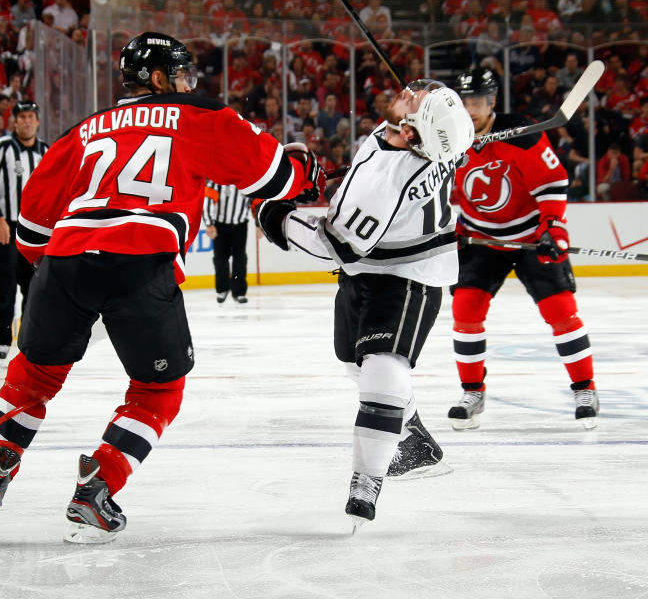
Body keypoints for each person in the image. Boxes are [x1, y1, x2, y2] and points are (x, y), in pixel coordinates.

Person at [0, 32, 317, 544]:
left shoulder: (83, 130)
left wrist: (59, 277)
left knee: (30, 381)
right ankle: (98, 484)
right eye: (181, 74)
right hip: (142, 264)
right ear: (158, 77)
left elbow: (31, 230)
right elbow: (276, 177)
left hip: (64, 261)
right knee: (158, 389)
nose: (188, 83)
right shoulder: (198, 117)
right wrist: (304, 166)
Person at [256, 79, 475, 528]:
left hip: (408, 273)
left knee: (382, 368)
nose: (407, 91)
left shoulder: (389, 181)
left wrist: (275, 216)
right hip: (369, 266)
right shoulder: (413, 136)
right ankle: (415, 443)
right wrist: (317, 180)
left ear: (413, 132)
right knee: (353, 362)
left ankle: (367, 482)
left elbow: (333, 246)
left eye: (416, 100)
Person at [449, 67, 599, 431]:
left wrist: (553, 226)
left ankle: (585, 389)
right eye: (466, 101)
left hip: (532, 235)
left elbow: (553, 180)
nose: (472, 109)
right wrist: (447, 226)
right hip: (481, 238)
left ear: (493, 101)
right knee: (465, 310)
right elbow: (440, 192)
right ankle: (472, 392)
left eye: (479, 101)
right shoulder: (446, 138)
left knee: (560, 309)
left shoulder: (522, 132)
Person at [0, 100, 49, 364]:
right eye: (22, 117)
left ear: (37, 121)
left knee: (35, 287)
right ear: (14, 122)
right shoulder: (0, 148)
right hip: (4, 226)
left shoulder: (46, 151)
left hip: (35, 228)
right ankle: (2, 342)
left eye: (31, 116)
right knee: (2, 284)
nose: (27, 121)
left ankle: (29, 341)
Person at [204, 182, 251, 304]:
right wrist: (209, 224)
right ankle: (222, 289)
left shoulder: (248, 180)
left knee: (240, 258)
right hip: (220, 225)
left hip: (240, 225)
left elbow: (255, 201)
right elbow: (207, 201)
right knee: (220, 258)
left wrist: (258, 224)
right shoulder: (216, 182)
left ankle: (239, 292)